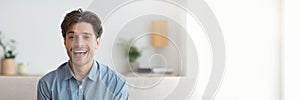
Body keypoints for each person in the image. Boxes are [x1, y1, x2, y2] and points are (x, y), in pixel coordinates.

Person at [37, 8, 129, 100]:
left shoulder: (117, 85)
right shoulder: (47, 85)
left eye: (86, 37)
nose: (79, 44)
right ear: (65, 42)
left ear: (97, 43)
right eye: (72, 37)